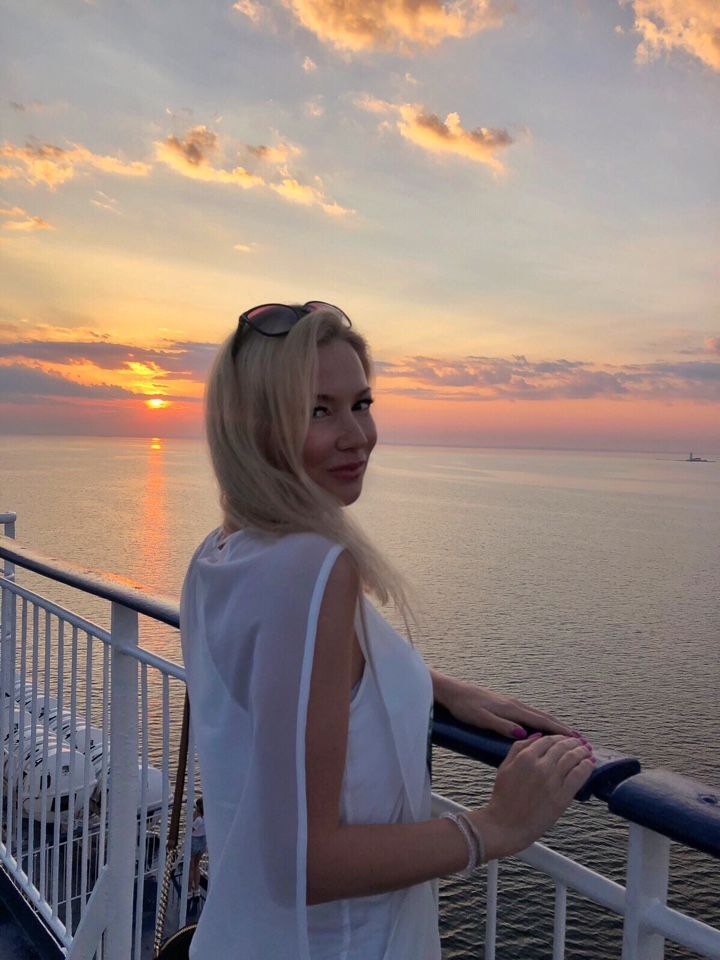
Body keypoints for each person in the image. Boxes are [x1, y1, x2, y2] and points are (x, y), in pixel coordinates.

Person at [180, 301, 594, 959]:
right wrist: (495, 826)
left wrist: (430, 685)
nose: (357, 435)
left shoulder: (222, 552)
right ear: (257, 427)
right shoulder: (314, 569)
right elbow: (303, 865)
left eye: (361, 404)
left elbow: (293, 680)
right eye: (319, 410)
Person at [189, 797, 206, 898]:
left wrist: (193, 817)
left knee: (191, 867)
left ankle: (189, 891)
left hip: (195, 842)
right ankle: (197, 889)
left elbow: (191, 829)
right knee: (197, 866)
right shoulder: (206, 818)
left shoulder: (198, 819)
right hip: (203, 842)